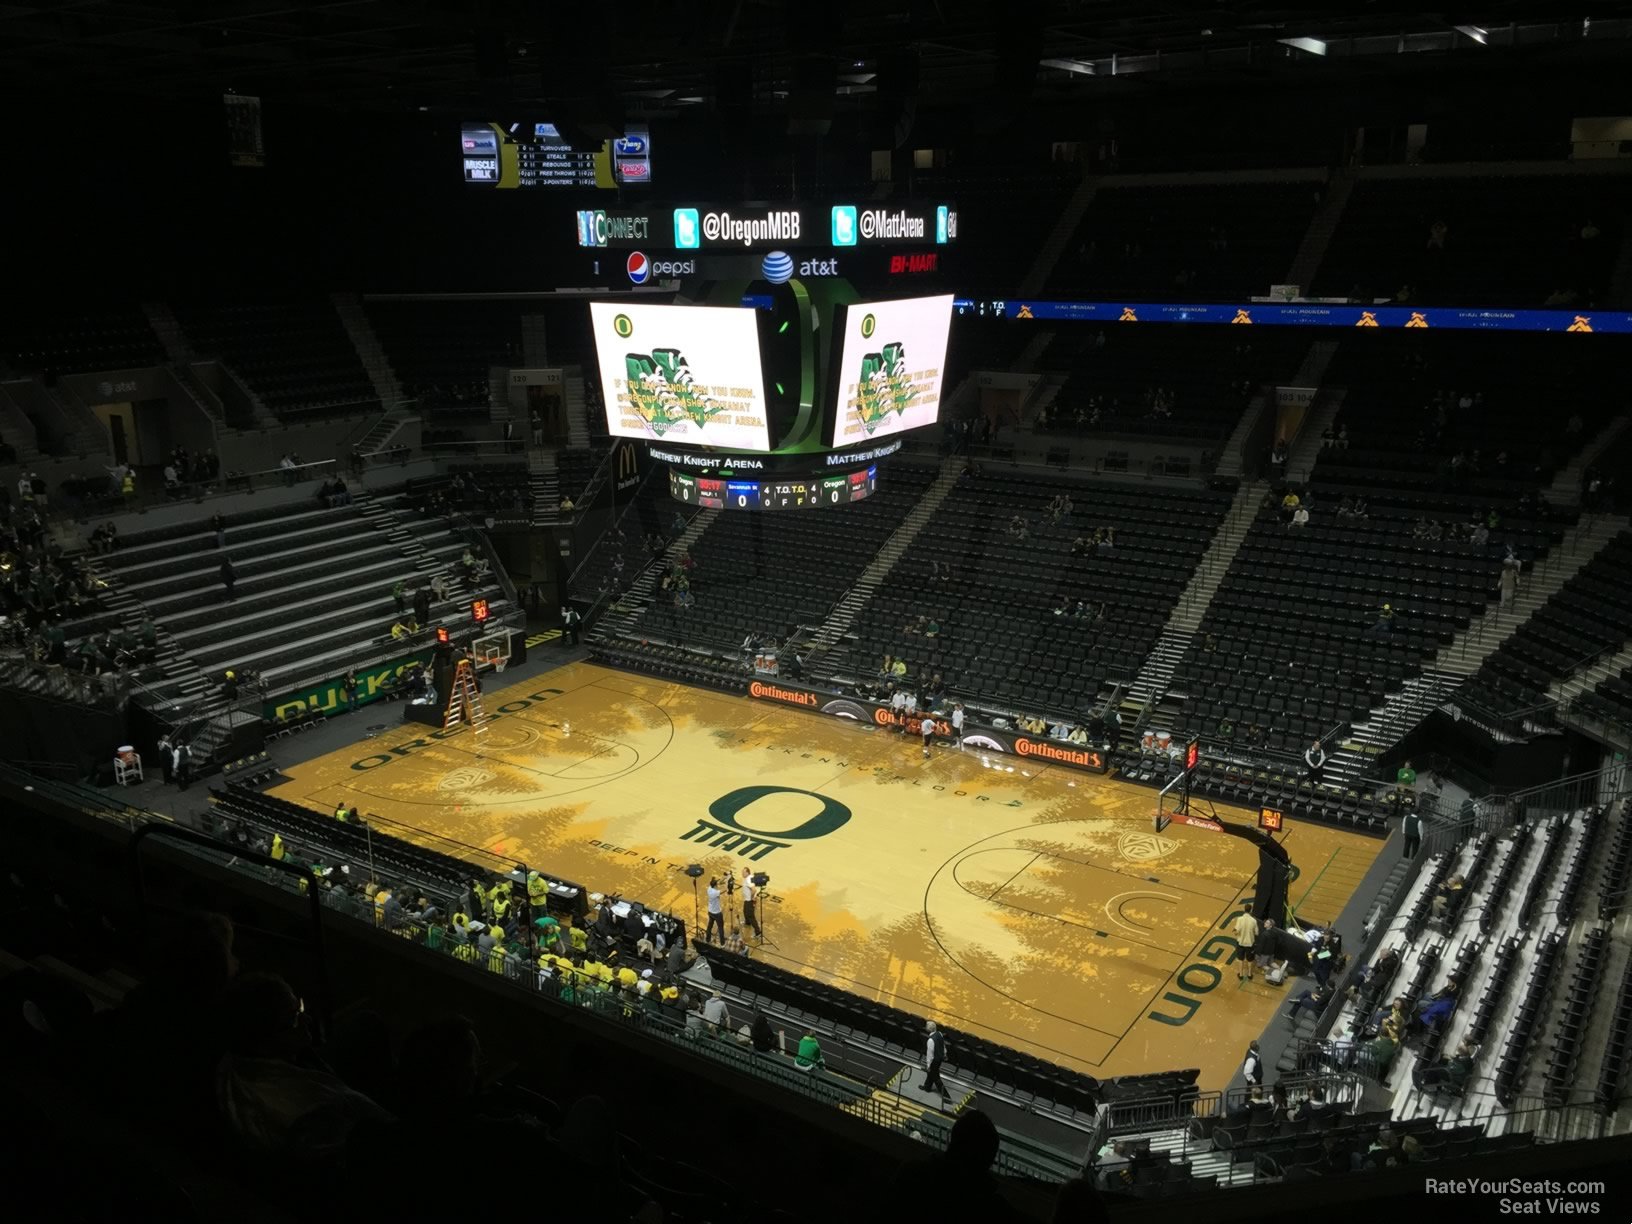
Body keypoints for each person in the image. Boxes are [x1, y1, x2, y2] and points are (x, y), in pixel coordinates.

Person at [921, 1020, 949, 1099]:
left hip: (934, 1061)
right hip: (939, 1058)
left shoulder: (930, 1040)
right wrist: (945, 1053)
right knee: (931, 1074)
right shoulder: (939, 1033)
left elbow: (930, 1055)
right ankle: (927, 1087)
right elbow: (943, 1045)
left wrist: (928, 1065)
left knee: (936, 1078)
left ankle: (946, 1097)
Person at [1232, 908, 1260, 981]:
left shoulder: (1240, 919)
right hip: (1250, 944)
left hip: (1240, 943)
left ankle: (1241, 975)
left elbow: (1236, 931)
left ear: (1244, 910)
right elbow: (1257, 933)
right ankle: (1249, 974)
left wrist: (1236, 932)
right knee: (1250, 960)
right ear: (1250, 911)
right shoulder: (1253, 921)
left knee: (1240, 959)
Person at [740, 868, 761, 939]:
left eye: (743, 872)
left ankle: (758, 932)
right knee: (745, 911)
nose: (742, 874)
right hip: (747, 899)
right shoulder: (749, 877)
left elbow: (754, 890)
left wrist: (752, 897)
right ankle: (747, 923)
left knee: (751, 916)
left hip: (749, 900)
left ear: (747, 872)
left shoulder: (749, 879)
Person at [705, 877, 725, 943]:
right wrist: (727, 883)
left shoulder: (709, 888)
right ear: (715, 885)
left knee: (709, 926)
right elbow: (724, 890)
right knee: (720, 928)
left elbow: (718, 883)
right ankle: (722, 943)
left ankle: (707, 939)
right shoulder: (715, 892)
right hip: (717, 913)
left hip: (710, 911)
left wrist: (724, 877)